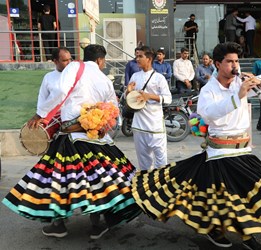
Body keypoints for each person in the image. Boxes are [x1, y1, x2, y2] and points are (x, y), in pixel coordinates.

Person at [131, 42, 261, 250]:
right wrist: (239, 96)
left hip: (243, 150)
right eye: (230, 62)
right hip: (219, 152)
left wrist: (259, 81)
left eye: (236, 61)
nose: (234, 65)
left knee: (252, 195)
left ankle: (247, 234)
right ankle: (218, 231)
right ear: (218, 64)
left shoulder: (240, 82)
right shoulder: (209, 90)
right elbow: (209, 114)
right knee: (223, 200)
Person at [2, 44, 141, 239]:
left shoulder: (75, 68)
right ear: (101, 61)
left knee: (60, 181)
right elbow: (113, 108)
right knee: (98, 180)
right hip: (97, 139)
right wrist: (101, 126)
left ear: (84, 58)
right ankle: (97, 225)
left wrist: (39, 115)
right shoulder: (104, 79)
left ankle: (59, 225)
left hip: (71, 136)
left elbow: (60, 92)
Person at [126, 46, 172, 170]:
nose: (137, 59)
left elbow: (168, 99)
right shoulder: (135, 76)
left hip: (155, 126)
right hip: (139, 125)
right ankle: (146, 187)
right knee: (144, 163)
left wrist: (149, 96)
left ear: (149, 59)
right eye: (136, 56)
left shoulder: (159, 78)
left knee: (161, 162)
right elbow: (129, 100)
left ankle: (160, 186)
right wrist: (128, 91)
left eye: (140, 56)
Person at [27, 47, 72, 128]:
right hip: (52, 119)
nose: (69, 63)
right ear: (55, 61)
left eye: (70, 59)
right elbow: (42, 98)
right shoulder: (48, 77)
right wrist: (40, 115)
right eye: (65, 60)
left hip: (72, 119)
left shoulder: (76, 75)